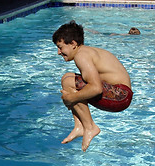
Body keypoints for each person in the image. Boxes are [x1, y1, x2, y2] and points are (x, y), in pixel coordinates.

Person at [52, 21, 133, 151]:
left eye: (60, 47)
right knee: (67, 78)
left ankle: (89, 127)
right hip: (122, 95)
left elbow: (96, 88)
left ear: (73, 44)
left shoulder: (81, 56)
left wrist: (71, 99)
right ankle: (79, 126)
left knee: (68, 82)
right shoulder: (86, 51)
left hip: (120, 96)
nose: (58, 52)